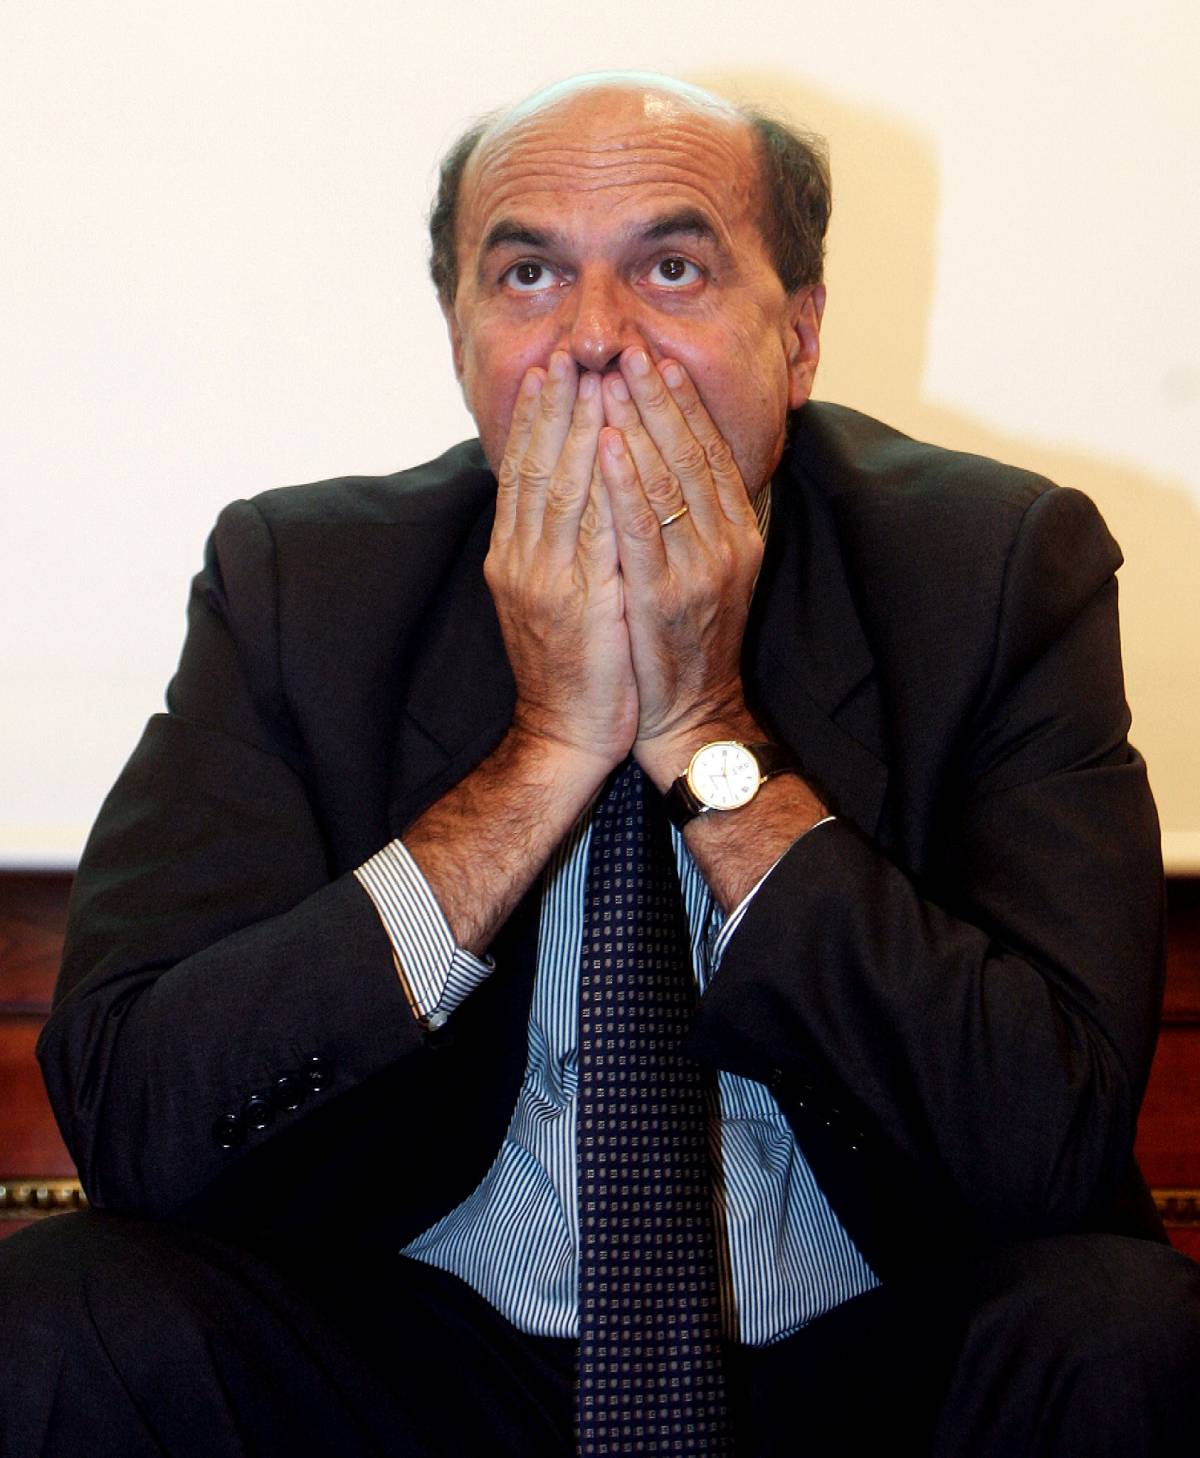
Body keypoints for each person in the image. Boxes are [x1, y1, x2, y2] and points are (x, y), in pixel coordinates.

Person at [2, 71, 1198, 1457]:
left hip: (867, 1360)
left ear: (798, 334)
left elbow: (1048, 1141)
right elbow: (138, 1112)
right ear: (460, 339)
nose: (592, 338)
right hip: (419, 1361)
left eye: (671, 268)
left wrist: (707, 732)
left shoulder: (989, 572)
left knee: (1127, 1335)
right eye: (528, 275)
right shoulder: (301, 586)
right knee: (61, 1318)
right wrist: (544, 756)